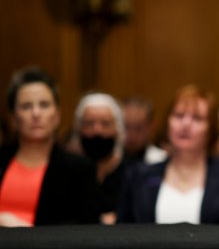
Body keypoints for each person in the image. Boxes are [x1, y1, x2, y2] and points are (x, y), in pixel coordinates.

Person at [118, 85, 219, 224]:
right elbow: (123, 235)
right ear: (168, 123)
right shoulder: (138, 176)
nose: (185, 124)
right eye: (178, 116)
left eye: (197, 118)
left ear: (211, 129)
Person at [0, 66, 100, 226]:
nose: (36, 113)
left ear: (58, 115)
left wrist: (21, 229)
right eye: (26, 106)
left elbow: (85, 234)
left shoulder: (80, 170)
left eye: (44, 105)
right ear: (13, 117)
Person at [70, 92, 130, 224]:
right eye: (89, 123)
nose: (97, 130)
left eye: (105, 123)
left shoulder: (132, 173)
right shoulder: (67, 172)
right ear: (78, 128)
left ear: (118, 129)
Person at [122, 96, 168, 165]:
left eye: (139, 128)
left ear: (152, 127)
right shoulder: (107, 160)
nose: (132, 134)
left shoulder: (161, 160)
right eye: (126, 127)